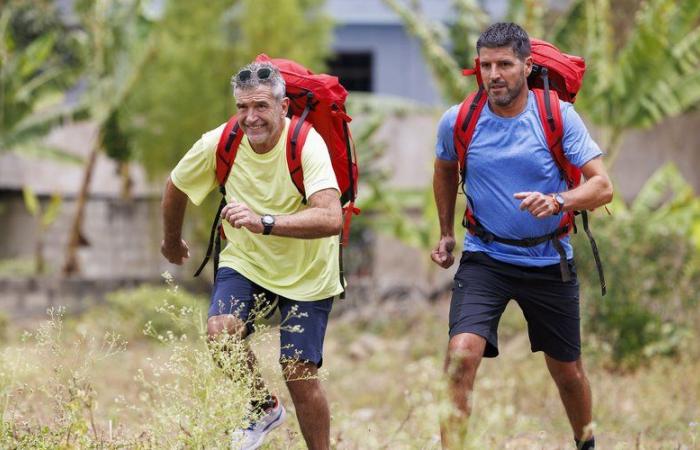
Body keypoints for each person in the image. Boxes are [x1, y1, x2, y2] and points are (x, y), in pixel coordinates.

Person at [431, 23, 613, 449]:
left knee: (567, 373)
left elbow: (602, 186)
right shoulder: (459, 120)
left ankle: (585, 443)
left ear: (527, 67)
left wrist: (558, 201)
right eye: (486, 65)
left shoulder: (557, 116)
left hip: (548, 259)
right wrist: (445, 232)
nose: (494, 74)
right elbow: (443, 168)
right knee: (460, 356)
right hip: (485, 257)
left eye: (505, 64)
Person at [160, 60, 343, 450]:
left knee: (299, 372)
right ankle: (261, 407)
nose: (250, 117)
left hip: (308, 270)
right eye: (243, 107)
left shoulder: (306, 143)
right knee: (220, 332)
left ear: (283, 107)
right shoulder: (221, 142)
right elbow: (176, 186)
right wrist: (171, 241)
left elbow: (331, 217)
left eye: (261, 106)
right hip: (247, 261)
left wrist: (267, 222)